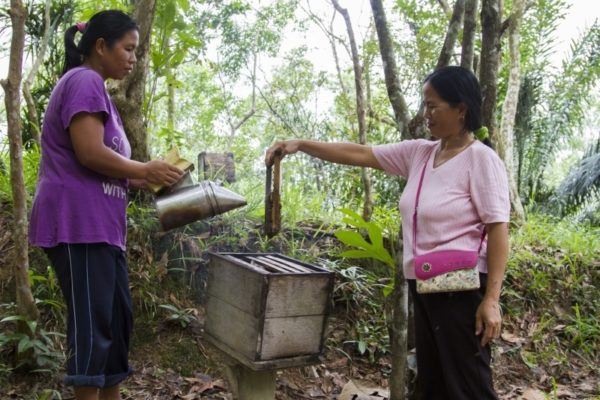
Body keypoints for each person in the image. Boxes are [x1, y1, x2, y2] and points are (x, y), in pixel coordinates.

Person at [265, 66, 510, 399]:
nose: (426, 114)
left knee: (469, 386)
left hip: (462, 291)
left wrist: (492, 300)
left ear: (461, 109)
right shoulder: (421, 153)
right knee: (434, 385)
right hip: (423, 284)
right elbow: (361, 153)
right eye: (425, 105)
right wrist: (300, 145)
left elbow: (498, 228)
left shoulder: (481, 159)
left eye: (433, 106)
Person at [29, 10, 183, 400]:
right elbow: (89, 153)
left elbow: (119, 172)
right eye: (128, 49)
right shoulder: (84, 81)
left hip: (104, 230)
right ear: (101, 46)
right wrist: (145, 167)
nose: (134, 58)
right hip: (77, 224)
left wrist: (152, 178)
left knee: (115, 327)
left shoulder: (105, 98)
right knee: (92, 331)